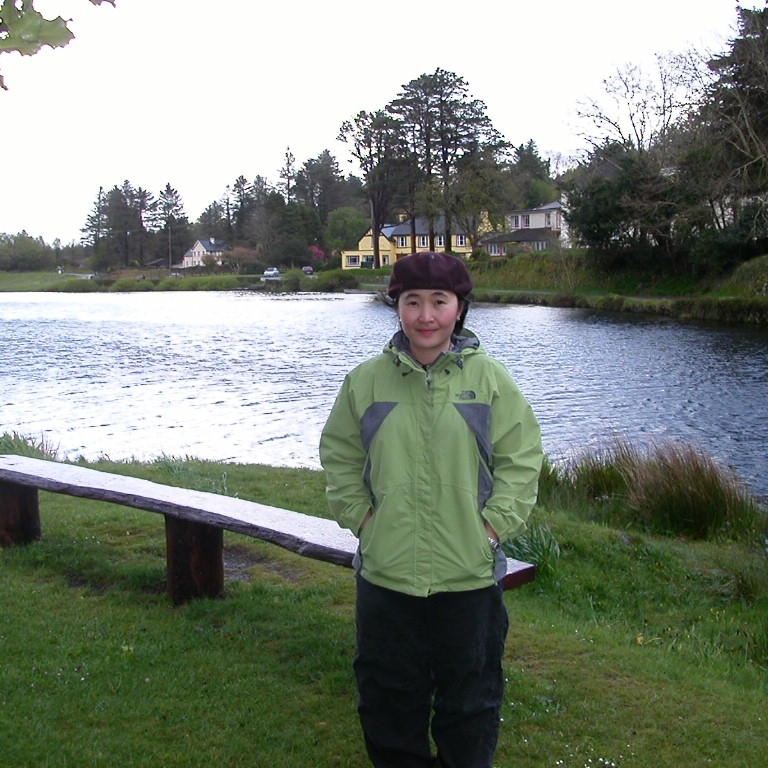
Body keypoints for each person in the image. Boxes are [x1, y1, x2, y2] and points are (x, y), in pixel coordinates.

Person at [319, 251, 543, 768]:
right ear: (395, 307)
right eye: (412, 302)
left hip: (467, 577)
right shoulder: (366, 381)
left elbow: (523, 459)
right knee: (388, 700)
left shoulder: (490, 381)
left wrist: (490, 528)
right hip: (386, 576)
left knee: (470, 703)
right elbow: (340, 456)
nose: (425, 316)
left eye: (438, 302)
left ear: (459, 309)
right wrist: (364, 520)